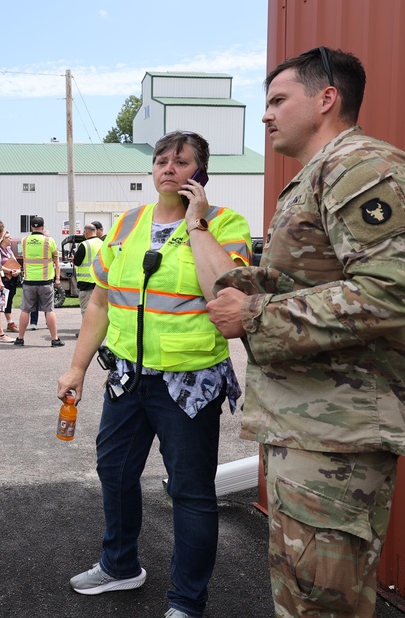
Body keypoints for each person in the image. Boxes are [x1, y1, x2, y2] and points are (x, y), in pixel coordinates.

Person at [207, 47, 405, 617]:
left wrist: (255, 315)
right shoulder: (320, 174)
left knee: (321, 603)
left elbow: (395, 290)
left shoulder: (362, 168)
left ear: (327, 98)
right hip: (311, 422)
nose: (266, 115)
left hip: (337, 431)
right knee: (304, 593)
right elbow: (311, 276)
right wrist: (246, 282)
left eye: (278, 100)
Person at [57, 131, 252, 618]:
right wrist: (77, 366)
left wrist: (198, 223)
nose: (168, 168)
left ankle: (187, 600)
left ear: (200, 173)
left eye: (181, 162)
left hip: (188, 384)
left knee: (190, 491)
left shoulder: (227, 224)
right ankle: (120, 566)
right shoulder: (126, 224)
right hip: (127, 379)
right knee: (114, 472)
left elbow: (223, 294)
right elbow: (100, 301)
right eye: (161, 160)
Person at [14, 216, 64, 347]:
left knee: (25, 310)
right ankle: (54, 339)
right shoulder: (49, 241)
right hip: (45, 281)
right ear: (43, 227)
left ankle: (20, 338)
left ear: (31, 227)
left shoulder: (24, 241)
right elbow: (56, 262)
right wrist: (57, 278)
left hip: (29, 281)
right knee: (49, 310)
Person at [71, 223, 103, 317]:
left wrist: (73, 259)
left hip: (86, 283)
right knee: (100, 310)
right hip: (100, 282)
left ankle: (87, 331)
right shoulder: (103, 243)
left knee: (86, 310)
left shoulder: (84, 245)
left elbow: (77, 262)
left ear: (86, 232)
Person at [0, 232, 21, 333]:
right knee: (1, 302)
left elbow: (15, 262)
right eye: (9, 238)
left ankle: (8, 323)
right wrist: (10, 271)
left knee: (9, 301)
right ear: (3, 239)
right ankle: (0, 324)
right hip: (3, 279)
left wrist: (18, 271)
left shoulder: (9, 250)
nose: (11, 239)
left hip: (12, 279)